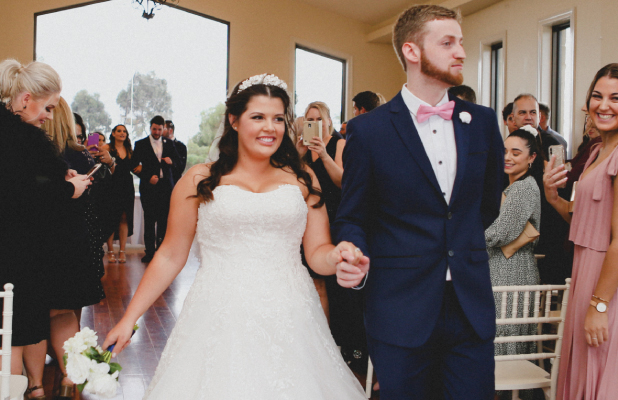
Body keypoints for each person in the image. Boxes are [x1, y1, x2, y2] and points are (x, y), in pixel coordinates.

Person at [102, 74, 368, 399]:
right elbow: (170, 255)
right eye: (258, 117)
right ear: (234, 120)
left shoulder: (302, 177)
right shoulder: (199, 179)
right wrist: (128, 319)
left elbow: (317, 253)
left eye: (278, 118)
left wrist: (339, 256)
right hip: (217, 315)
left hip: (290, 317)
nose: (270, 128)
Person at [333, 5, 504, 399]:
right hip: (399, 308)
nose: (461, 52)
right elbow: (353, 216)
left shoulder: (481, 122)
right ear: (412, 51)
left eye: (460, 42)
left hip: (469, 306)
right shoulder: (368, 131)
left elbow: (486, 206)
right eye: (447, 43)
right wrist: (351, 250)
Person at [0, 58, 90, 400]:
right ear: (26, 99)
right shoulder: (23, 137)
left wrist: (58, 173)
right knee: (14, 332)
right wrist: (70, 188)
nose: (49, 116)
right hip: (15, 249)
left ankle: (32, 389)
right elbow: (21, 194)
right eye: (48, 107)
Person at [544, 63, 618, 400]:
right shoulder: (596, 152)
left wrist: (599, 306)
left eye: (616, 98)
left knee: (601, 369)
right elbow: (581, 219)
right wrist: (552, 196)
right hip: (583, 270)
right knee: (582, 366)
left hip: (606, 279)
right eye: (597, 96)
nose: (604, 105)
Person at [42, 96, 108, 398]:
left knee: (36, 313)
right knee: (65, 311)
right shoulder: (80, 156)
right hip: (76, 240)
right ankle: (70, 377)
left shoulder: (41, 153)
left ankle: (34, 384)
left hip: (46, 242)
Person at [485, 128, 541, 360]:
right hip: (505, 267)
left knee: (504, 336)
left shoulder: (523, 187)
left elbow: (501, 232)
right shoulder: (514, 185)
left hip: (512, 270)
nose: (507, 157)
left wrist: (464, 237)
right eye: (504, 151)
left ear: (531, 157)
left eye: (516, 153)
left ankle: (508, 393)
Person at [133, 115, 180, 263]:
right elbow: (133, 166)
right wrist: (147, 177)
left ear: (163, 129)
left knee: (163, 222)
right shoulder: (140, 144)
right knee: (149, 221)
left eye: (160, 129)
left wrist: (171, 162)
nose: (157, 131)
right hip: (149, 188)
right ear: (150, 127)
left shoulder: (169, 144)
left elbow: (178, 162)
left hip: (165, 188)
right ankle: (149, 252)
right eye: (154, 128)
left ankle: (161, 251)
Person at [105, 124, 137, 263]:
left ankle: (122, 251)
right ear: (113, 133)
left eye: (124, 131)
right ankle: (110, 250)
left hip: (127, 187)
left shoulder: (129, 150)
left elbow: (136, 168)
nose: (122, 133)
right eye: (119, 131)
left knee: (124, 218)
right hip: (112, 186)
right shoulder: (106, 148)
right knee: (111, 218)